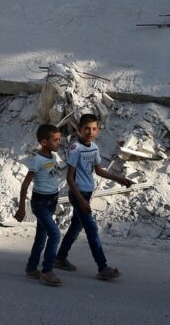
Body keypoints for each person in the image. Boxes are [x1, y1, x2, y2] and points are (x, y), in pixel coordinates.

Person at [54, 113, 133, 280]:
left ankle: (59, 258)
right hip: (78, 195)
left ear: (98, 131)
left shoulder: (94, 147)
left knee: (76, 227)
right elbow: (69, 178)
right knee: (92, 230)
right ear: (79, 130)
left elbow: (99, 171)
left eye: (94, 129)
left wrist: (120, 179)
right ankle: (102, 267)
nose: (90, 132)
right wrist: (82, 201)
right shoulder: (76, 149)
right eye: (87, 129)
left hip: (86, 194)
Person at [14, 123, 64, 286]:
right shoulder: (38, 160)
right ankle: (47, 270)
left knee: (41, 238)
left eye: (59, 139)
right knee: (55, 234)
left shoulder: (53, 157)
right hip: (40, 203)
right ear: (44, 142)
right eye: (55, 140)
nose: (59, 143)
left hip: (51, 201)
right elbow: (25, 184)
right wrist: (21, 208)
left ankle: (31, 268)